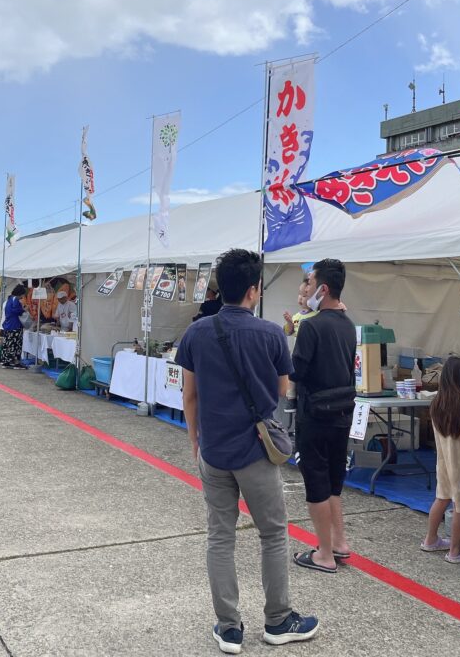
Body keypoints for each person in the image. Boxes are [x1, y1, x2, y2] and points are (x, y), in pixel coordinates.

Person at [175, 248, 318, 653]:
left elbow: (190, 395)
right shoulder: (272, 333)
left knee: (220, 536)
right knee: (273, 533)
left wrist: (194, 442)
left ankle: (228, 626)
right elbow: (282, 389)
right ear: (254, 290)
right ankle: (277, 620)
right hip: (256, 451)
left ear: (221, 287)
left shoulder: (197, 333)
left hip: (214, 451)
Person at [290, 259, 356, 575]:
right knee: (333, 483)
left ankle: (325, 554)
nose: (307, 287)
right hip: (342, 413)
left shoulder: (313, 326)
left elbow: (297, 370)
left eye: (310, 281)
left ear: (323, 288)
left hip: (314, 414)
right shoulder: (347, 325)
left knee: (316, 483)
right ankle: (339, 543)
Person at [422, 357, 460, 563]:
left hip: (443, 461)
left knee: (441, 497)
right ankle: (455, 551)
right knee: (459, 506)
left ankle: (431, 539)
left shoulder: (437, 402)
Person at [0, 284, 28, 368]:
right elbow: (16, 310)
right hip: (15, 325)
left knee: (7, 344)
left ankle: (6, 361)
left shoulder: (9, 299)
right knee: (15, 344)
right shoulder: (15, 299)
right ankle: (16, 362)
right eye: (23, 294)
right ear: (20, 293)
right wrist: (23, 309)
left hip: (8, 325)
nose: (23, 296)